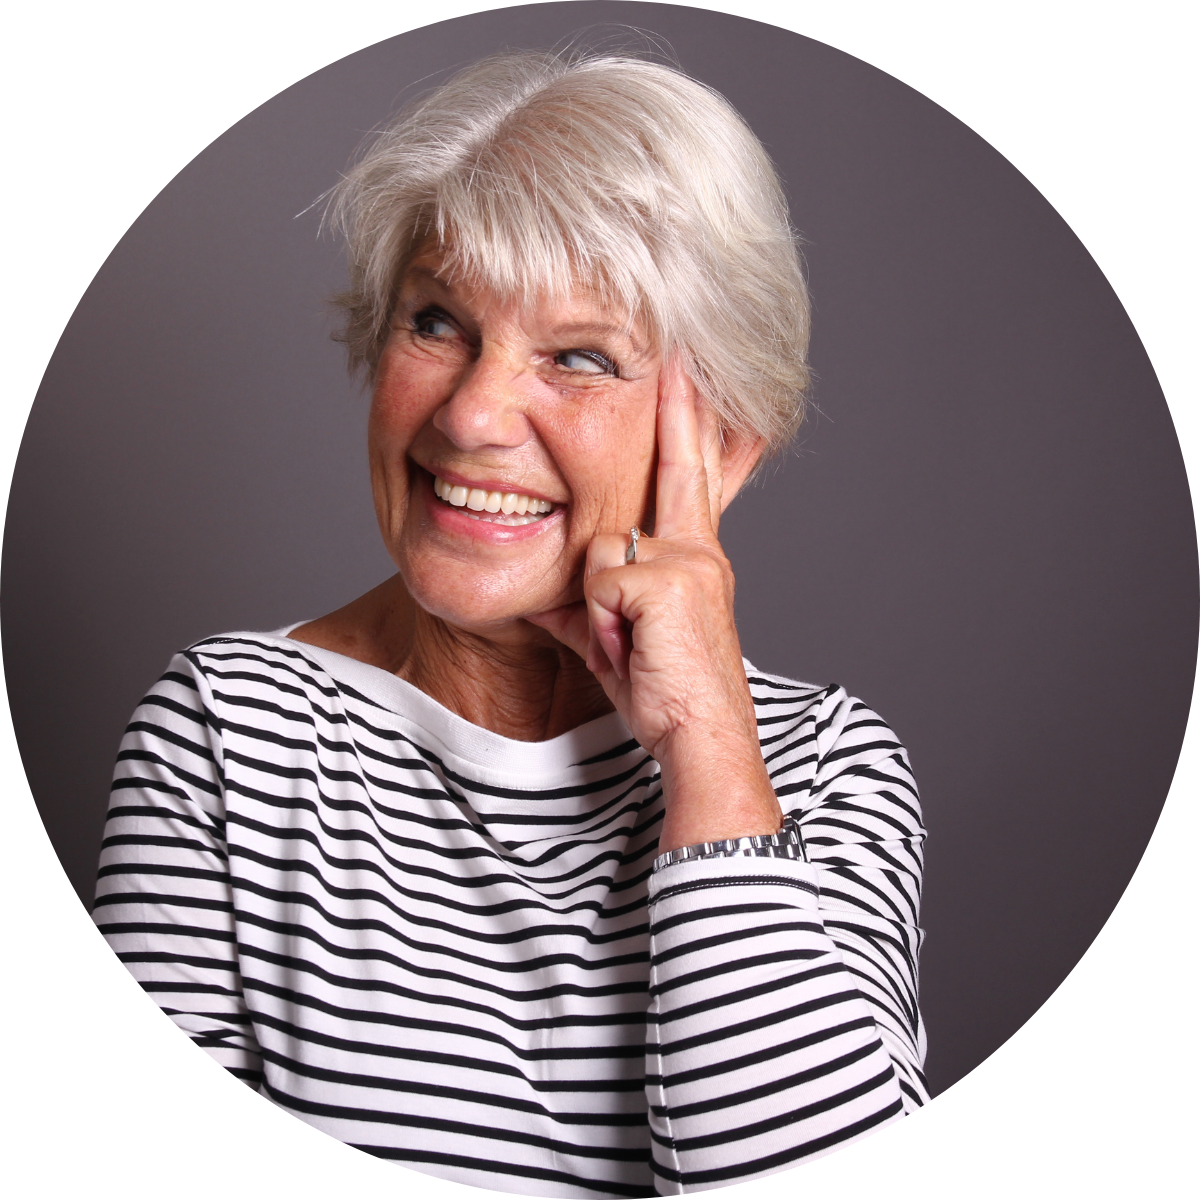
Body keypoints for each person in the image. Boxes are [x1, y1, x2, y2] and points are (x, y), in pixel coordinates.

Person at [94, 48, 928, 1196]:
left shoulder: (826, 766)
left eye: (579, 356)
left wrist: (708, 754)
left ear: (726, 443)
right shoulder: (228, 738)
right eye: (437, 322)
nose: (474, 414)